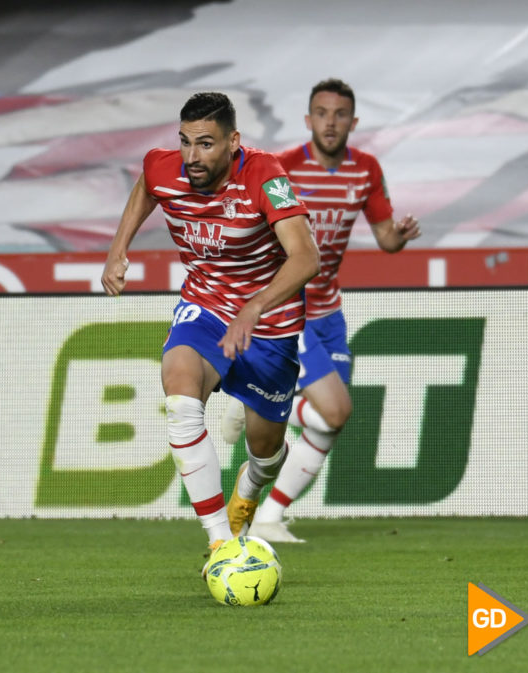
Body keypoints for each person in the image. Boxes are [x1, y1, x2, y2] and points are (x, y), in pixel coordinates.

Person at [101, 92, 319, 569]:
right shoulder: (166, 168)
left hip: (270, 325)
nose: (191, 157)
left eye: (205, 144)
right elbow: (146, 186)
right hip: (205, 306)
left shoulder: (266, 174)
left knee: (266, 453)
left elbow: (307, 257)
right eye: (184, 142)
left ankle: (250, 489)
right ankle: (222, 542)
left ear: (233, 141)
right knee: (180, 395)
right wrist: (119, 249)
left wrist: (255, 307)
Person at [230, 78, 421, 543]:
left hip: (329, 312)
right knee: (333, 411)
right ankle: (255, 400)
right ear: (307, 119)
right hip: (288, 308)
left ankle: (271, 517)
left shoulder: (366, 170)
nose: (330, 122)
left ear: (353, 123)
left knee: (330, 422)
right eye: (321, 113)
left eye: (339, 115)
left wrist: (399, 234)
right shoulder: (284, 169)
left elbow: (385, 240)